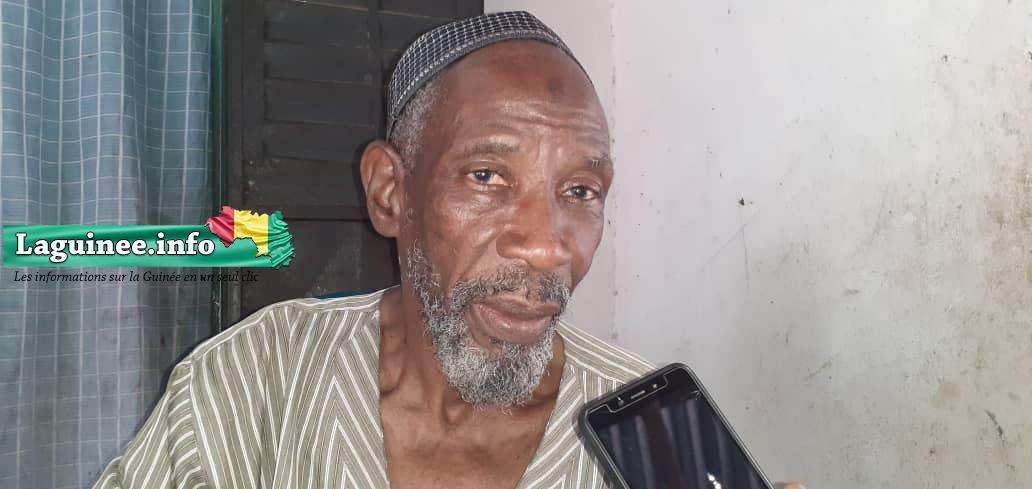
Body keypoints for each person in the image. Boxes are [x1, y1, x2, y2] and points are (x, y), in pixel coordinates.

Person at [94, 11, 803, 489]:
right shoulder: (252, 381)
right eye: (487, 176)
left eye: (581, 190)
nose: (545, 247)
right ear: (391, 192)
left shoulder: (650, 432)